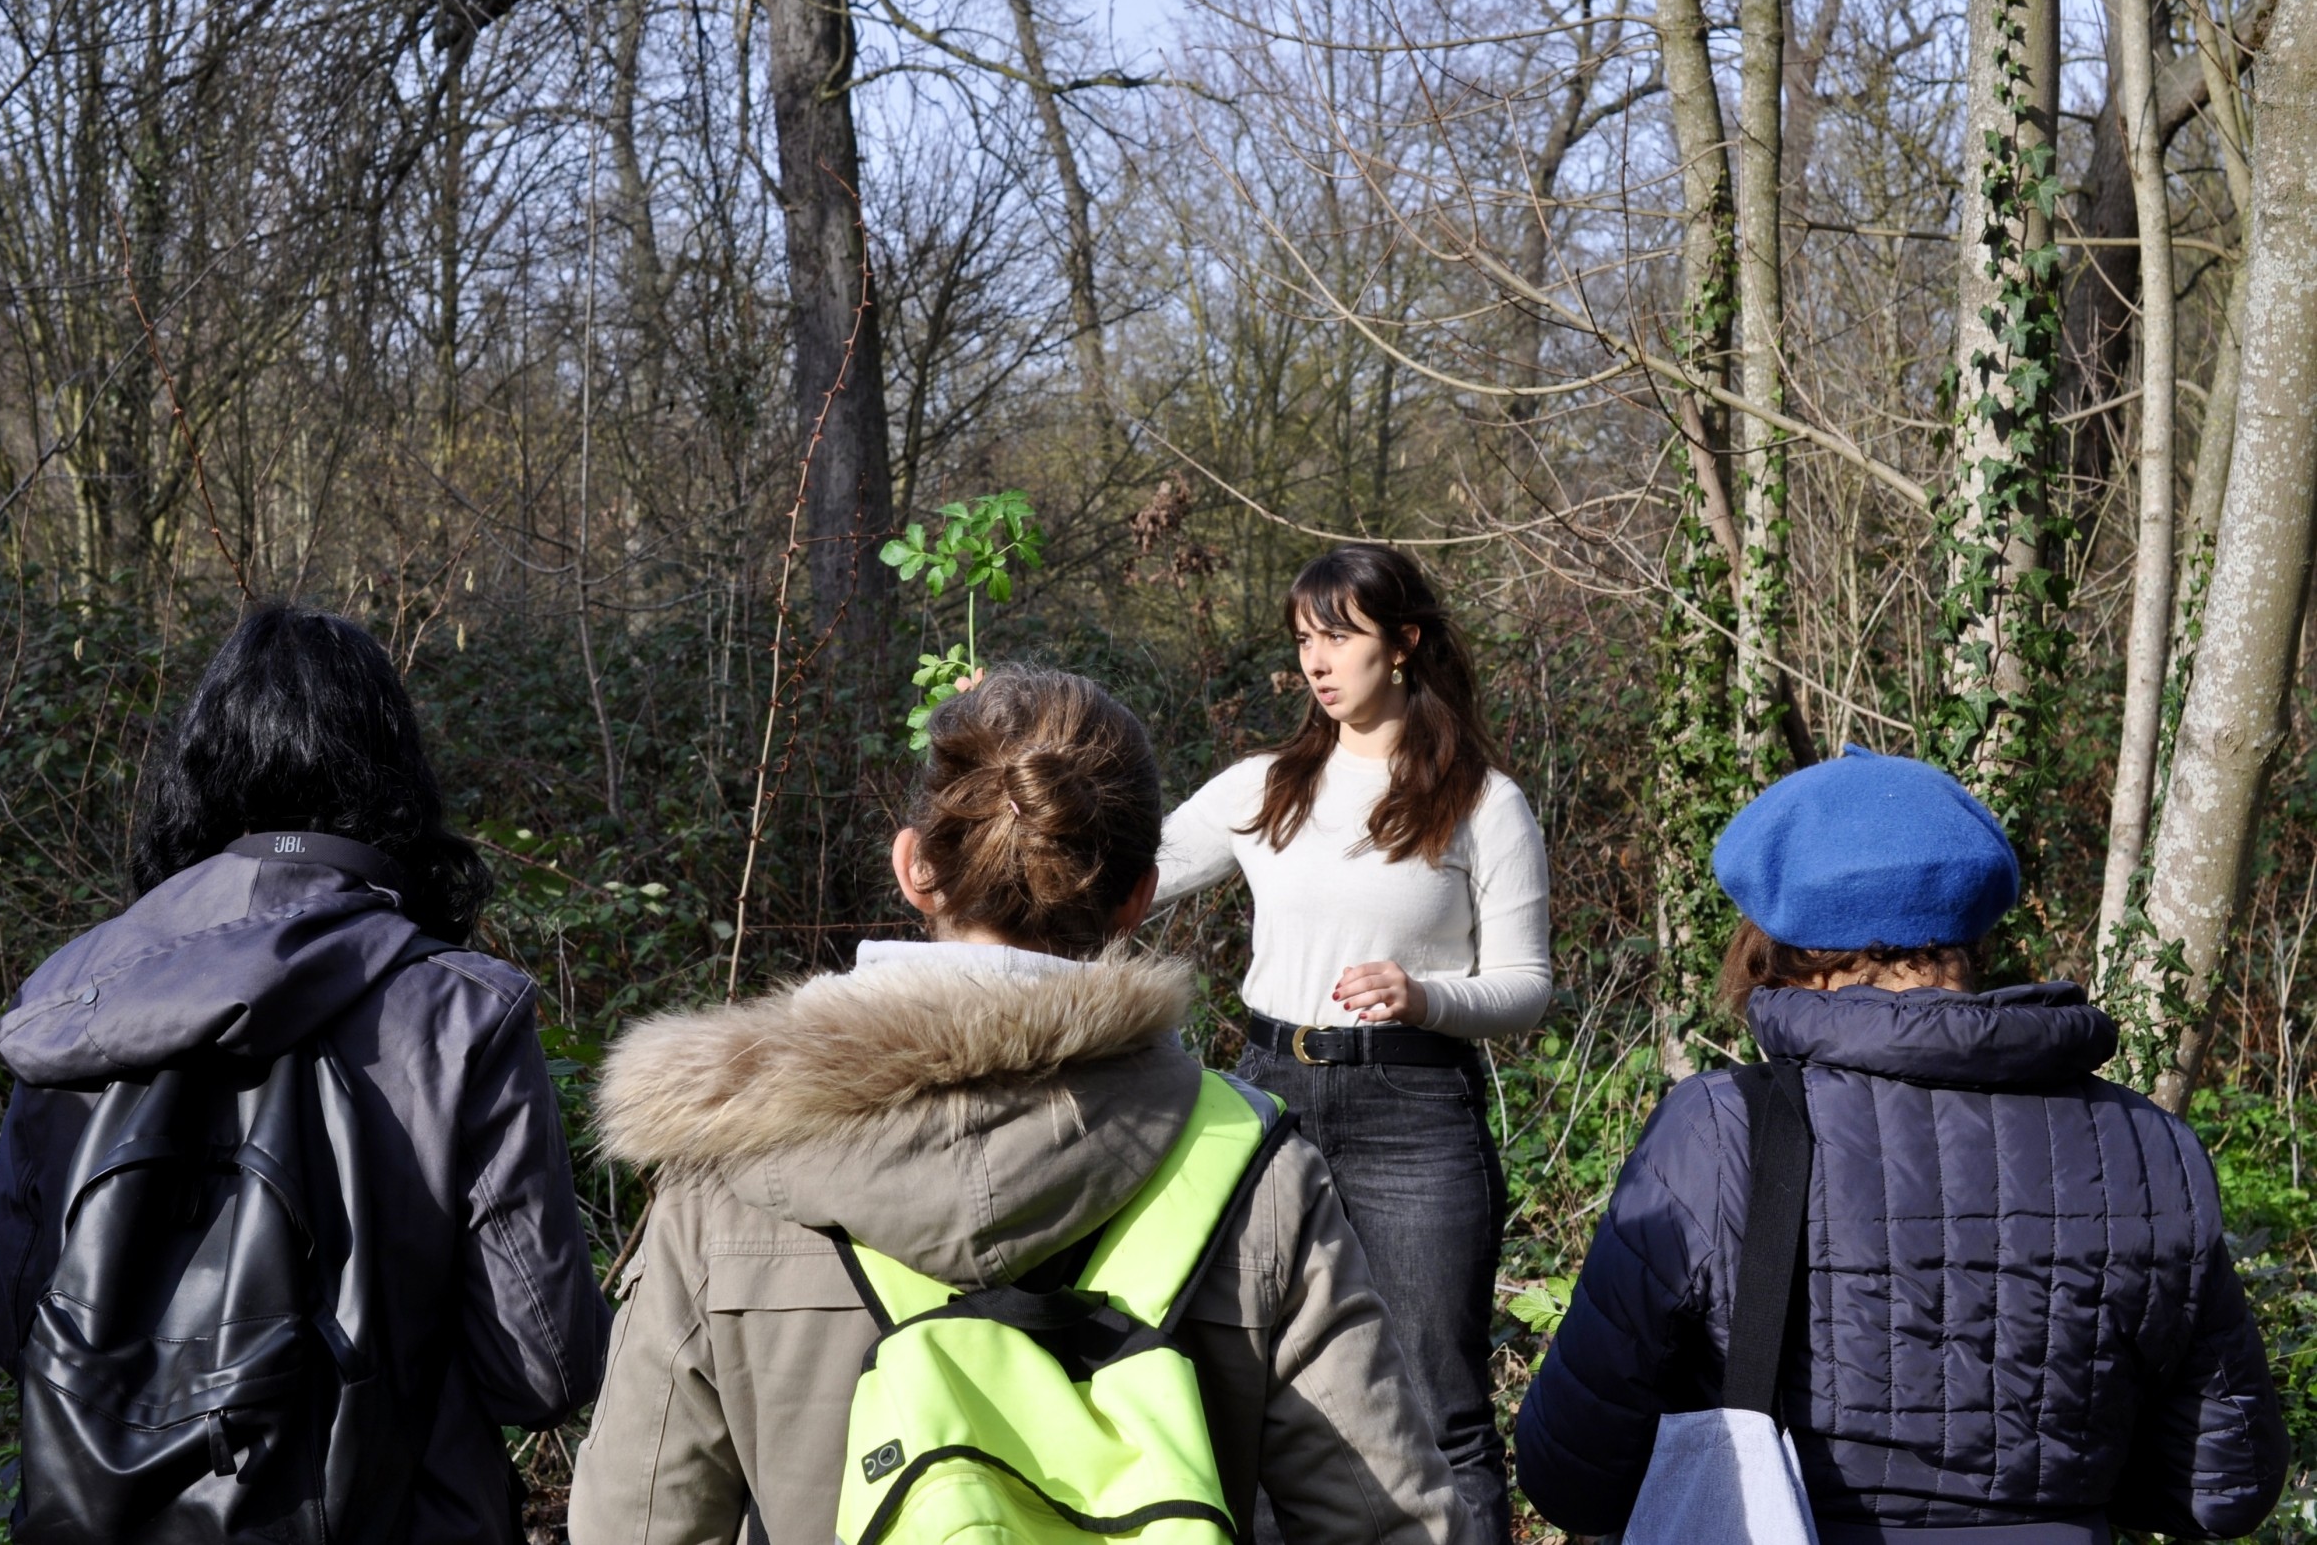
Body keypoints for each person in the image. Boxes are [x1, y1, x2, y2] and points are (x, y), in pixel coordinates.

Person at [566, 666, 1477, 1545]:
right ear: (1138, 900)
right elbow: (1388, 1520)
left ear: (914, 867)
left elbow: (635, 1522)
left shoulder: (730, 1164)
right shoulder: (1251, 1166)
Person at [1517, 746, 2289, 1543]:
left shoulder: (1719, 1130)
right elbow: (2223, 1485)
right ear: (1969, 934)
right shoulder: (2145, 1145)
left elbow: (1569, 1472)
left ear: (1790, 956)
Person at [0, 604, 610, 1544]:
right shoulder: (457, 1011)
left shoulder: (70, 996)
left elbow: (14, 1329)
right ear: (393, 776)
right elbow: (539, 1371)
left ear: (202, 772)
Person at [1151, 545, 1551, 1542]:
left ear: (1403, 643)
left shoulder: (1483, 804)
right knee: (1239, 1384)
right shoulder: (1262, 787)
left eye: (1338, 637)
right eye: (1302, 642)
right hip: (1263, 1100)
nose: (1316, 663)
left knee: (1436, 1399)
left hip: (1414, 1113)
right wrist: (1008, 767)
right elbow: (1126, 873)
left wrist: (1424, 996)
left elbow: (1527, 990)